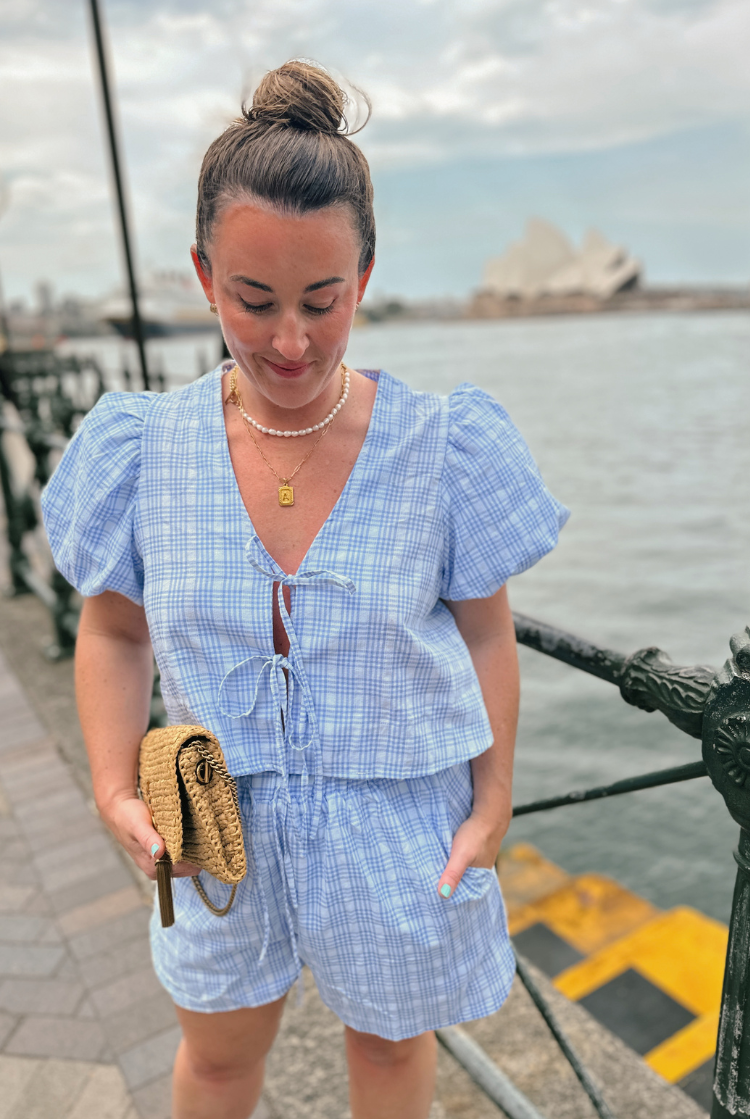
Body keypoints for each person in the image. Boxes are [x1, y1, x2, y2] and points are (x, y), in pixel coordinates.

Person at [41, 60, 569, 1119]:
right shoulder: (145, 449)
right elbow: (115, 630)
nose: (291, 340)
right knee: (218, 1060)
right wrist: (110, 786)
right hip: (210, 818)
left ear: (363, 278)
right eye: (254, 301)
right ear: (204, 277)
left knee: (390, 1053)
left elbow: (486, 632)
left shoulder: (441, 445)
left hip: (401, 821)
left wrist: (495, 798)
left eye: (323, 302)